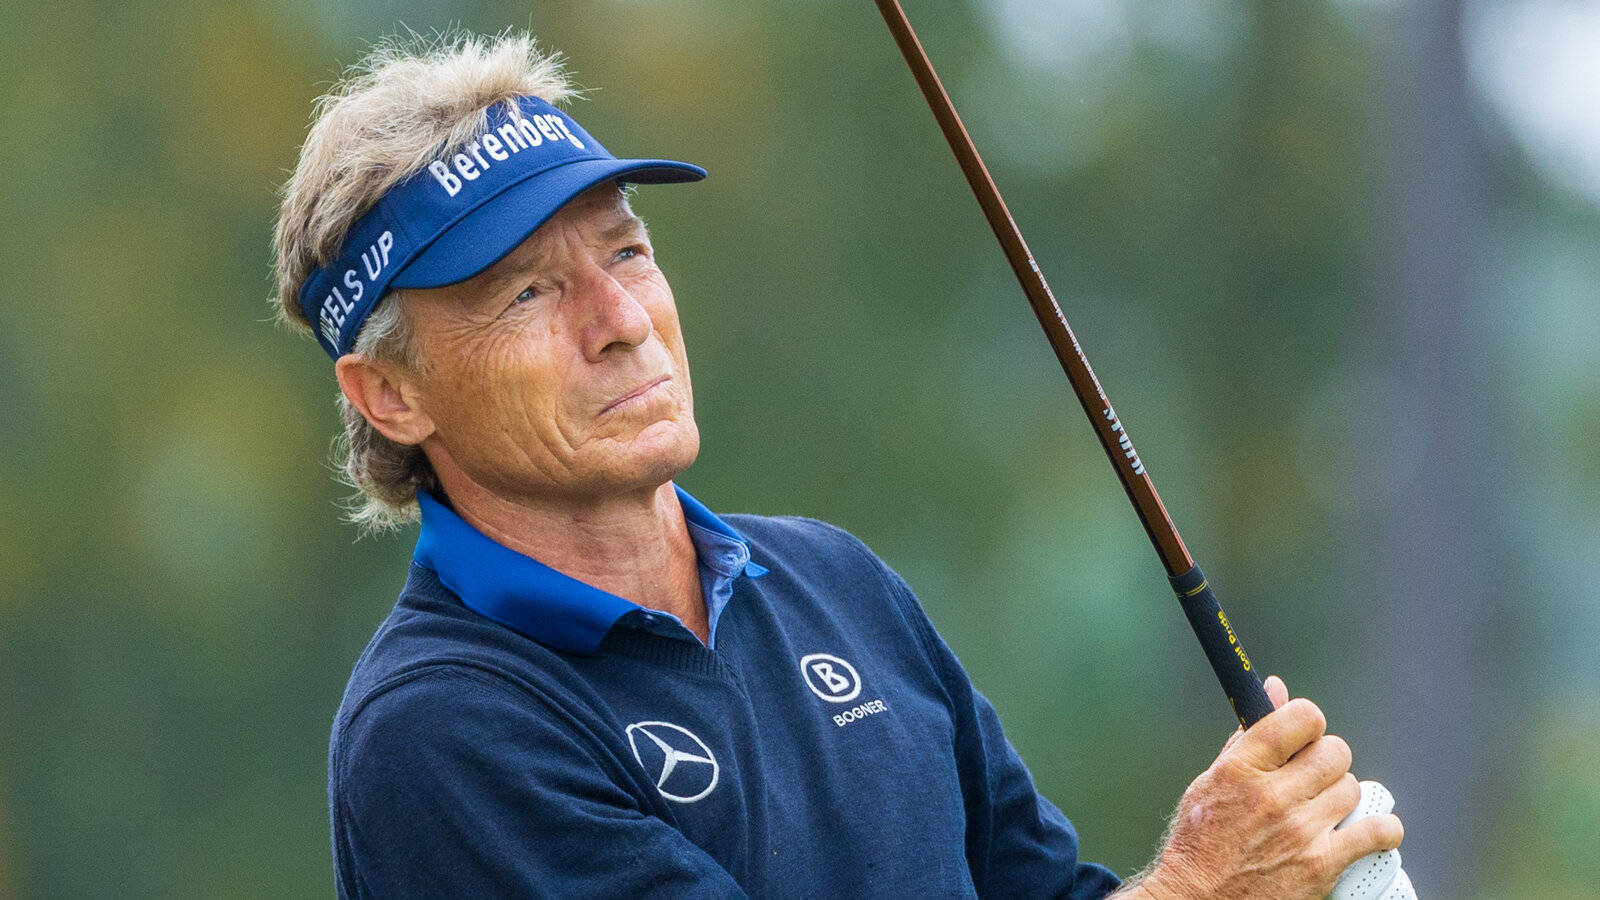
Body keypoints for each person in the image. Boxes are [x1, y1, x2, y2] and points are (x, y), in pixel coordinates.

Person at [272, 31, 1402, 899]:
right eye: (526, 290)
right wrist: (1202, 880)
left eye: (627, 250)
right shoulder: (439, 733)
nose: (621, 319)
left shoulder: (834, 583)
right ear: (391, 394)